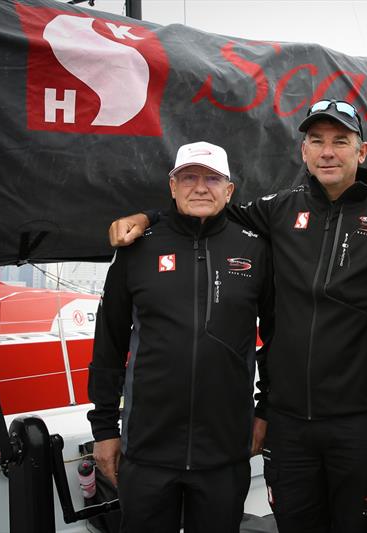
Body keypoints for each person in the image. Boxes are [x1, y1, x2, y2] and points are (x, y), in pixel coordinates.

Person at [108, 100, 367, 533]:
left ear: (361, 152)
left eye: (340, 141)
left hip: (361, 419)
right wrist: (147, 218)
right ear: (304, 152)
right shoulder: (279, 208)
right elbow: (204, 210)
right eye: (317, 141)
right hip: (289, 422)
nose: (327, 151)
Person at [88, 141, 273, 533]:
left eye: (212, 179)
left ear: (229, 190)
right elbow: (109, 342)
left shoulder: (256, 250)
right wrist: (104, 429)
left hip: (224, 454)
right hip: (148, 450)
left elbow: (276, 338)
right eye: (188, 177)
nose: (200, 187)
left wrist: (265, 409)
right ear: (172, 186)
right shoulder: (137, 248)